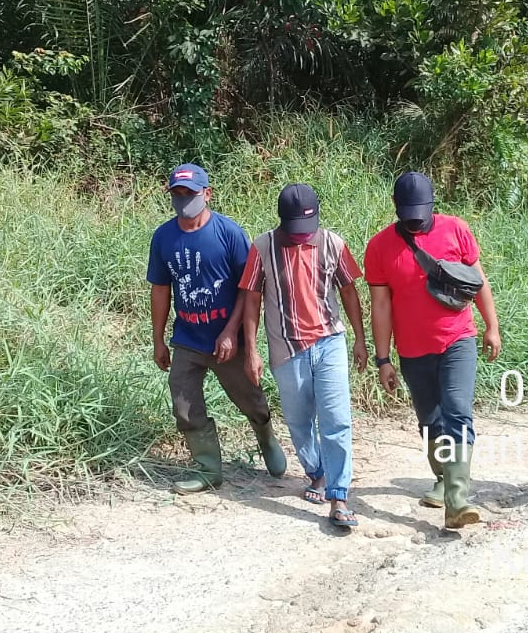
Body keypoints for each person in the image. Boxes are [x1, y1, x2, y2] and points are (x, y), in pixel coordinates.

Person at [365, 171, 501, 530]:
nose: (415, 219)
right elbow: (381, 306)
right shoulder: (379, 247)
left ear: (432, 204)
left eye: (420, 211)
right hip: (412, 350)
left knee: (457, 410)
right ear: (395, 206)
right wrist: (383, 359)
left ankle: (457, 500)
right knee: (430, 421)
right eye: (407, 211)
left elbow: (478, 279)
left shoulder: (456, 229)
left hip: (458, 339)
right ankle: (442, 478)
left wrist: (492, 326)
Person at [147, 163, 287, 494]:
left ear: (207, 194)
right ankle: (208, 468)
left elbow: (248, 287)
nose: (183, 200)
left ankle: (266, 436)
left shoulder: (228, 233)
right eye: (177, 194)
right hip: (187, 337)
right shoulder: (164, 237)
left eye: (190, 193)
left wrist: (231, 331)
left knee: (250, 398)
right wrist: (158, 339)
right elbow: (160, 289)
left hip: (227, 337)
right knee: (183, 402)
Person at [241, 183, 368, 529]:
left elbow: (348, 291)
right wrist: (251, 350)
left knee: (336, 420)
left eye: (306, 231)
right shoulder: (263, 247)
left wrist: (360, 339)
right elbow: (251, 299)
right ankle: (317, 472)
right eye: (294, 230)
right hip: (286, 348)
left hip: (329, 342)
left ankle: (339, 497)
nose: (301, 237)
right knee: (298, 421)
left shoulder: (333, 244)